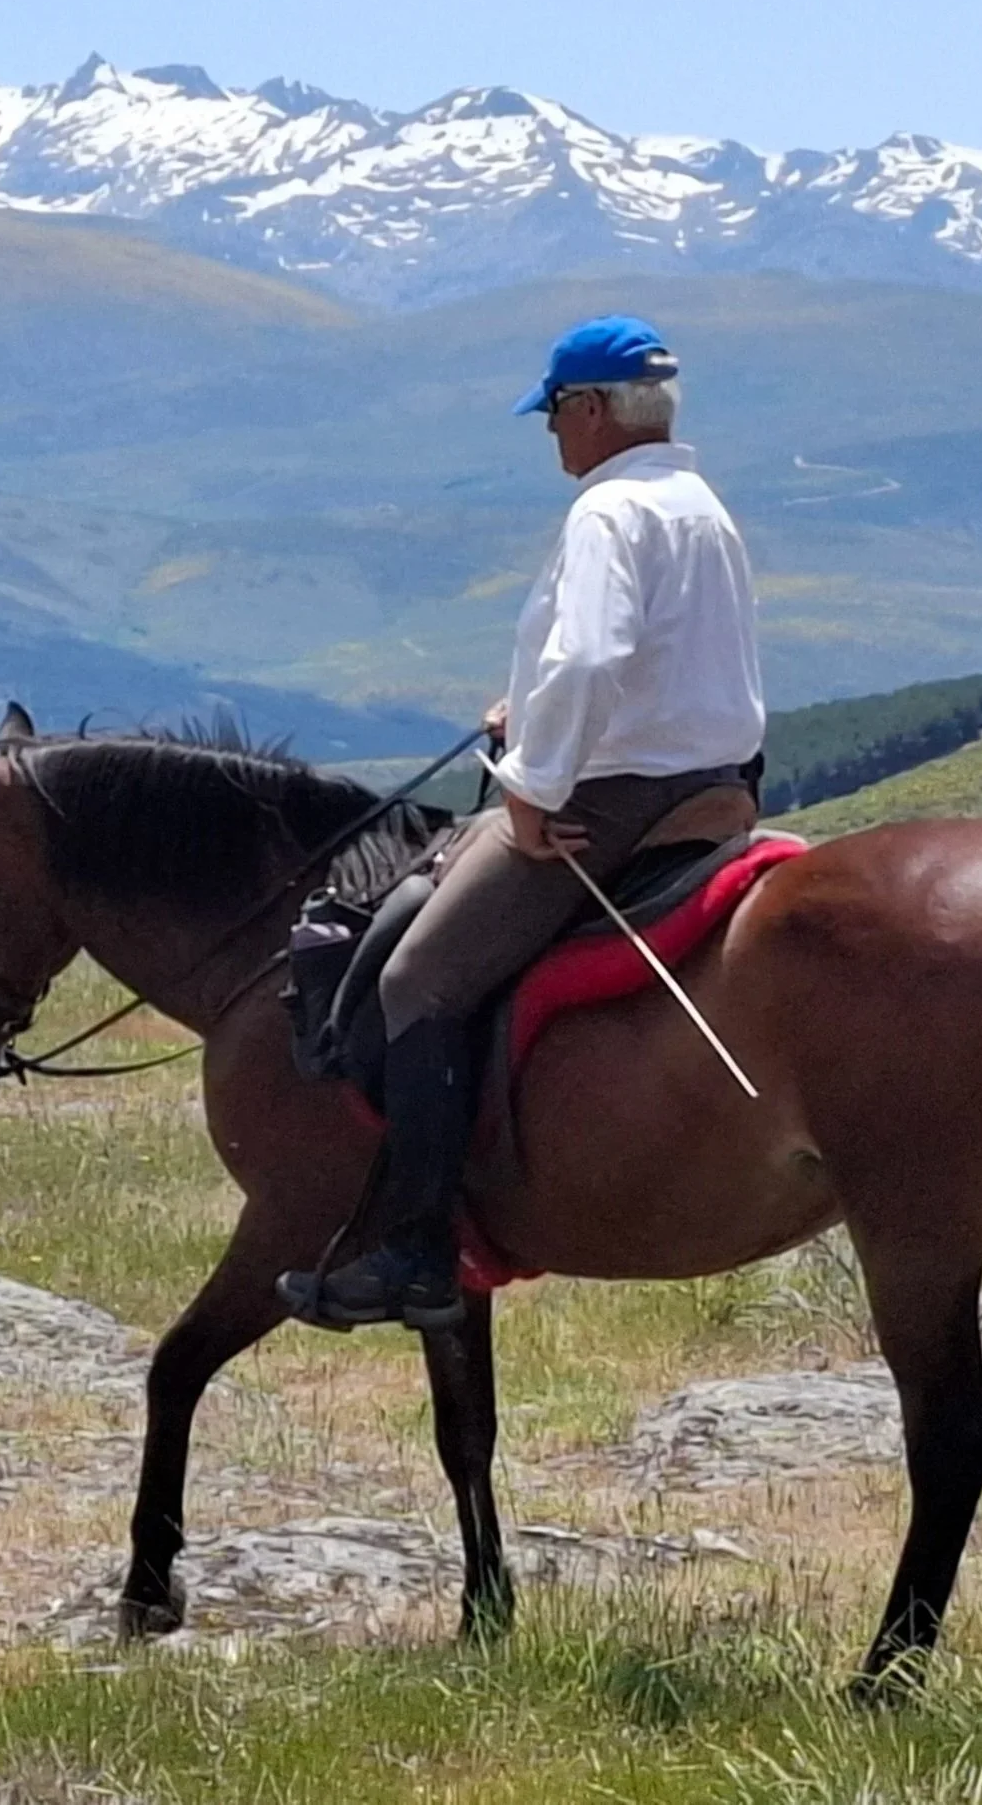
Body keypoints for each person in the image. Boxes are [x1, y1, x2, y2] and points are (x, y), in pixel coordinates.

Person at [278, 315, 766, 1331]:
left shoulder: (608, 512)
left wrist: (534, 791)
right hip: (713, 782)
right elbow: (654, 663)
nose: (551, 435)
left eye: (553, 413)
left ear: (589, 409)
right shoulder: (698, 502)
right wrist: (526, 706)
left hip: (613, 801)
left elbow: (590, 660)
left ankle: (417, 1252)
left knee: (417, 982)